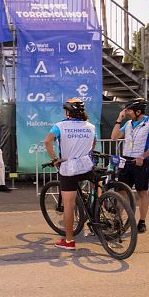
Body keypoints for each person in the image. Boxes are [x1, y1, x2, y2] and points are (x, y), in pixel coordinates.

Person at [44, 99, 97, 250]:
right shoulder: (91, 126)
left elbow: (47, 141)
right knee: (95, 189)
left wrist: (54, 159)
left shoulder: (60, 125)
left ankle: (68, 241)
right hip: (86, 165)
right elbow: (93, 143)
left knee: (68, 204)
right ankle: (96, 214)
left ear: (68, 112)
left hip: (69, 168)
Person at [110, 98, 149, 233]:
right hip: (126, 161)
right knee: (121, 191)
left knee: (142, 192)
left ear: (138, 111)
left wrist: (142, 157)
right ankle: (118, 219)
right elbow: (114, 137)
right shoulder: (127, 124)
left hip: (141, 161)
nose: (126, 113)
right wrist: (119, 119)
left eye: (129, 110)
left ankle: (142, 222)